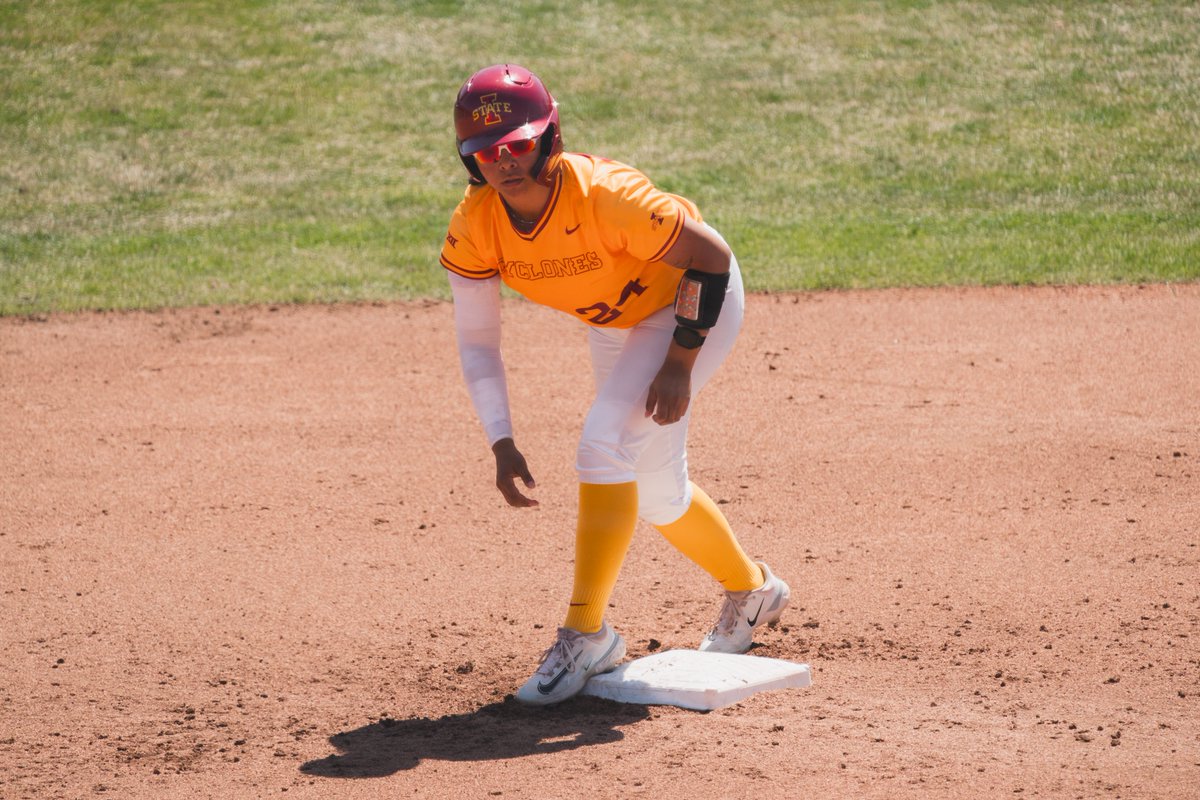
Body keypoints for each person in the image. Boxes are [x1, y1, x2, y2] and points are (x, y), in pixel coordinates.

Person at [440, 64, 790, 706]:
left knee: (603, 443)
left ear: (550, 135)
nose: (505, 162)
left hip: (690, 305)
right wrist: (501, 439)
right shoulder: (478, 222)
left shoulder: (606, 194)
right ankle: (753, 590)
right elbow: (478, 341)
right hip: (619, 323)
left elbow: (709, 257)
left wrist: (681, 361)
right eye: (487, 152)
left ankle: (586, 632)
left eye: (519, 143)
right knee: (654, 490)